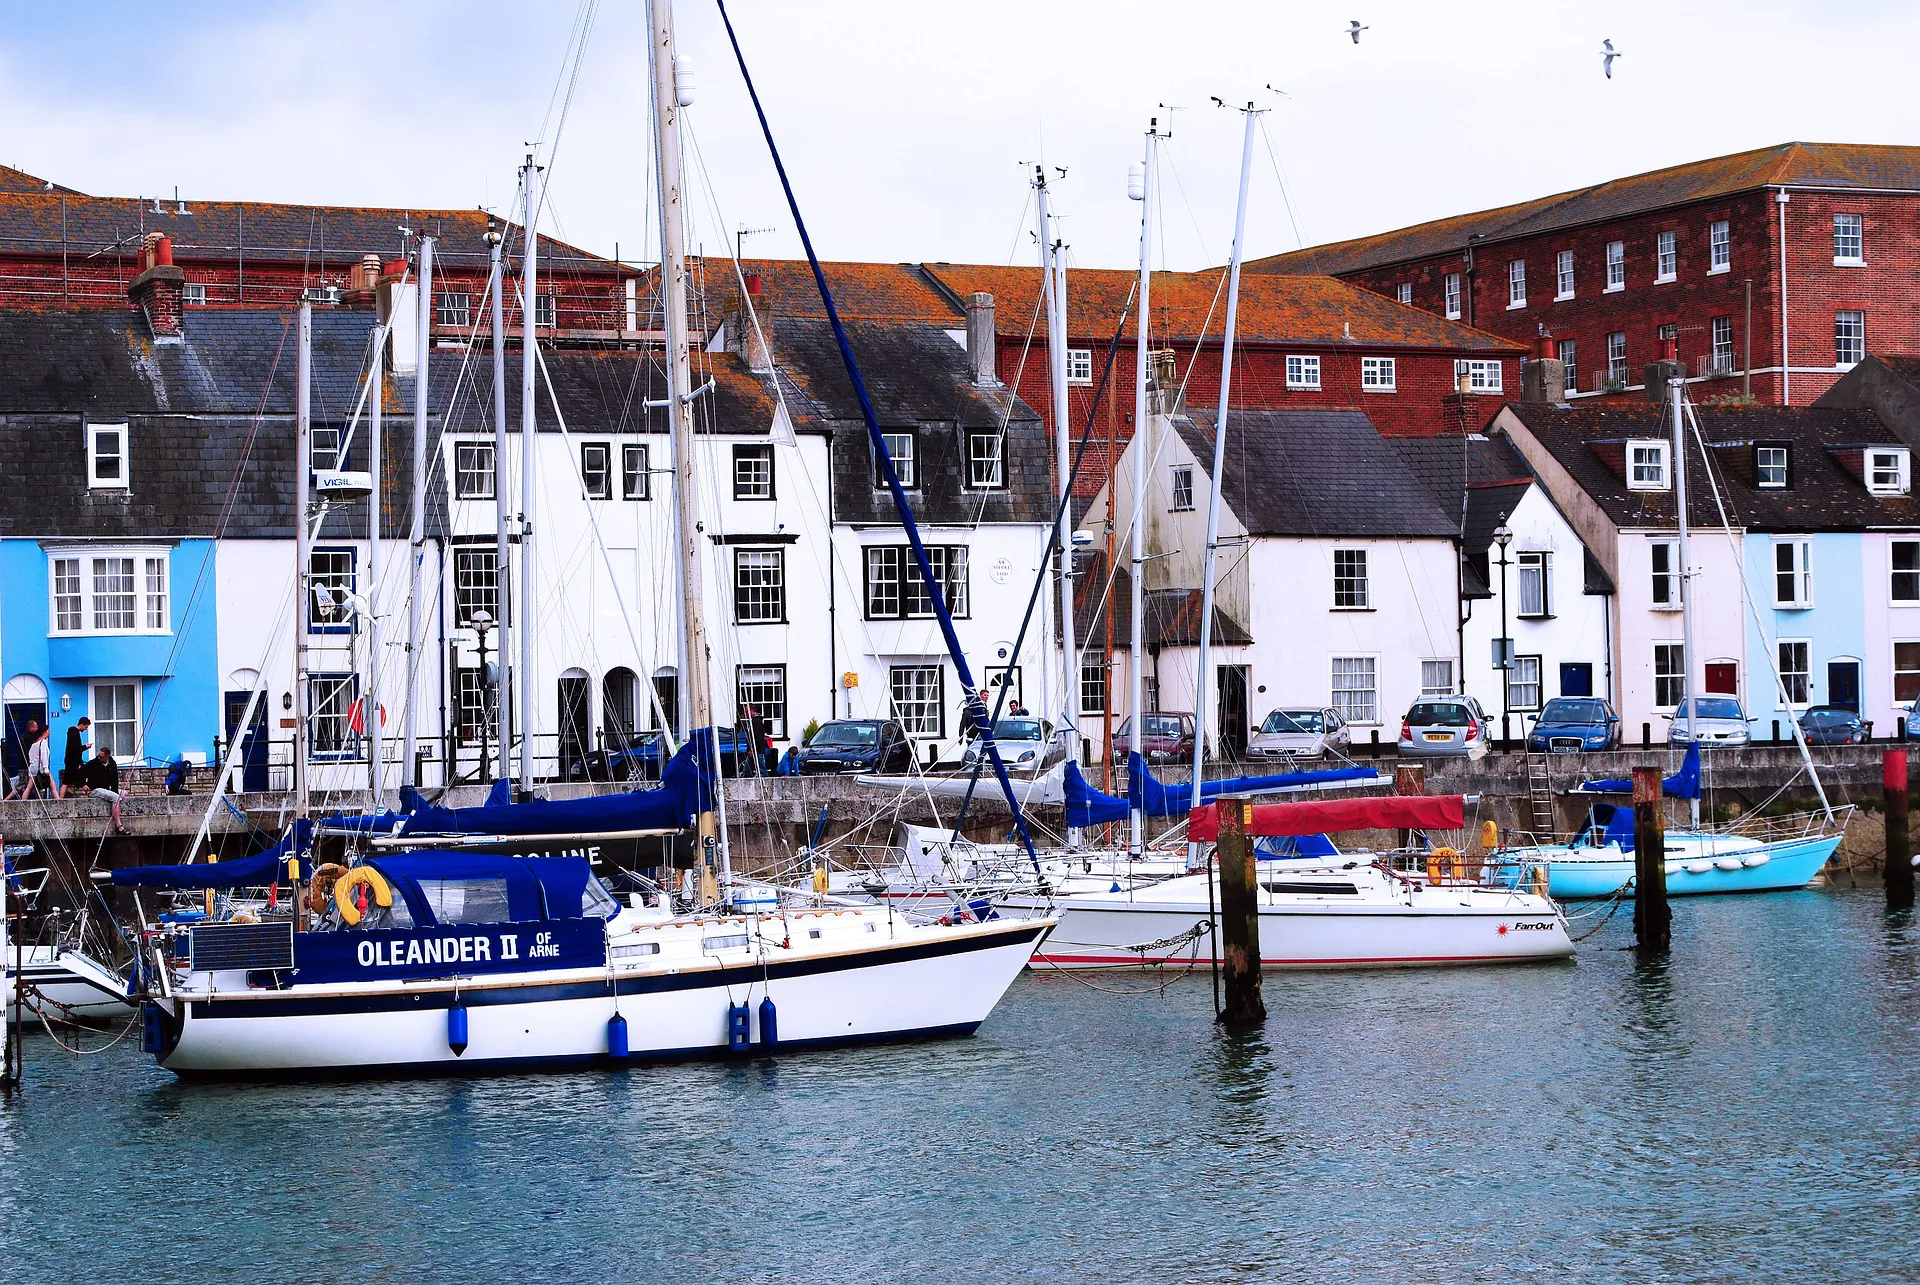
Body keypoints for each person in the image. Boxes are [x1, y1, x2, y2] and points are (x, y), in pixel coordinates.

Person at [87, 747, 129, 835]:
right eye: (98, 756)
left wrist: (115, 791)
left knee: (124, 794)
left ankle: (119, 814)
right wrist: (83, 785)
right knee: (115, 797)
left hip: (106, 788)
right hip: (94, 789)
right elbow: (79, 774)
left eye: (101, 757)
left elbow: (114, 780)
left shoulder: (112, 764)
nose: (98, 758)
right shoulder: (93, 763)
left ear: (107, 757)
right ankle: (118, 826)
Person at [5, 718, 41, 799]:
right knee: (22, 784)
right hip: (26, 765)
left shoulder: (25, 736)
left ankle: (34, 800)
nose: (37, 729)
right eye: (36, 727)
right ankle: (6, 800)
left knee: (31, 784)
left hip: (24, 764)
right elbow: (31, 751)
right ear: (31, 728)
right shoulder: (29, 738)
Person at [57, 716, 90, 800]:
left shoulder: (73, 732)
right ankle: (60, 799)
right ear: (82, 724)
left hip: (71, 761)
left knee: (67, 781)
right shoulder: (74, 732)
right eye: (86, 727)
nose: (86, 729)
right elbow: (75, 749)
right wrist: (85, 747)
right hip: (72, 761)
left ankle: (60, 799)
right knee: (73, 781)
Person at [24, 724, 52, 800]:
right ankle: (59, 803)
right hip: (40, 768)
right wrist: (46, 769)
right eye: (48, 731)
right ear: (44, 732)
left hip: (33, 767)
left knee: (29, 788)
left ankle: (23, 802)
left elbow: (30, 754)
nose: (49, 733)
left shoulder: (34, 743)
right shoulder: (43, 742)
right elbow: (44, 756)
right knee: (53, 787)